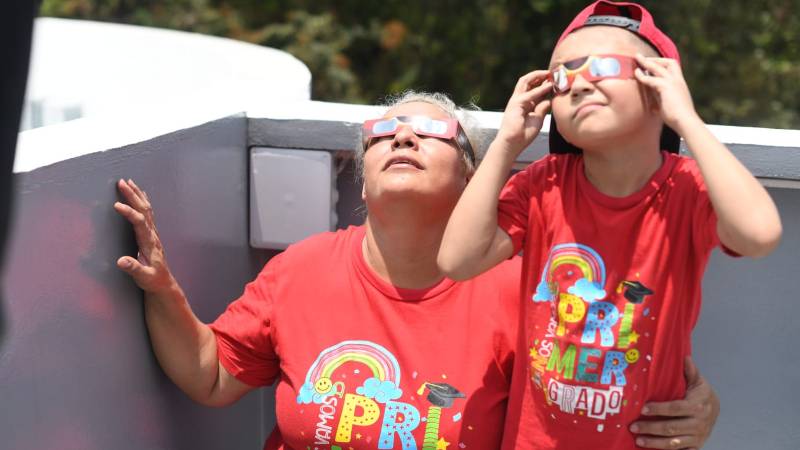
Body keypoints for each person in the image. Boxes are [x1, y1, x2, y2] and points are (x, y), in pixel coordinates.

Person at [115, 91, 720, 449]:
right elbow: (211, 375)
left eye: (432, 131)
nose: (403, 134)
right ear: (361, 172)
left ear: (472, 176)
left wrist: (699, 408)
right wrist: (161, 285)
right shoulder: (301, 270)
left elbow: (605, 378)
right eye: (382, 133)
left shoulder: (521, 290)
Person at [438, 1, 781, 449]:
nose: (577, 84)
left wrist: (687, 119)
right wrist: (506, 142)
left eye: (600, 66)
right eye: (560, 77)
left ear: (659, 84)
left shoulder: (688, 190)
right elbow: (457, 260)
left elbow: (759, 234)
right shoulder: (544, 184)